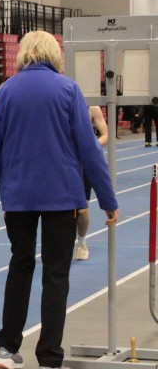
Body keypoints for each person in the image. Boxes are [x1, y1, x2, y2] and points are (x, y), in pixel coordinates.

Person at [0, 30, 118, 369]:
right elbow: (89, 149)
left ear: (24, 53)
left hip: (18, 197)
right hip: (60, 196)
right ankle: (49, 363)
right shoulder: (68, 90)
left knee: (20, 265)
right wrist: (107, 198)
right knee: (56, 275)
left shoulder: (5, 92)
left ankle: (7, 349)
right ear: (54, 54)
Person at [73, 105, 109, 261]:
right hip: (62, 163)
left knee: (82, 210)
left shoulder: (93, 108)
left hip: (84, 164)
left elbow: (106, 135)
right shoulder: (59, 101)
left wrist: (90, 148)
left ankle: (81, 243)